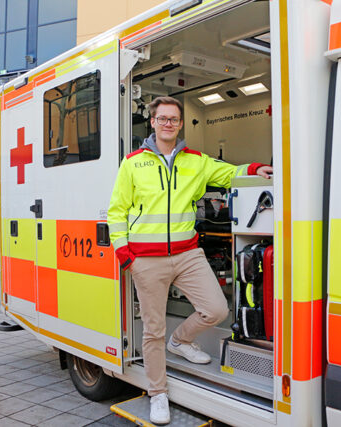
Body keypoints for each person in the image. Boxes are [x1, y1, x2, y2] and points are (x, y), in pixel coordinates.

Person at [107, 96, 272, 425]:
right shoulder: (133, 163)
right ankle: (158, 393)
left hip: (187, 254)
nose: (168, 123)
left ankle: (180, 340)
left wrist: (254, 169)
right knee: (152, 331)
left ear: (181, 124)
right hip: (146, 260)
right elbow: (117, 211)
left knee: (216, 309)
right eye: (162, 118)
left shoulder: (196, 161)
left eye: (174, 119)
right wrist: (126, 255)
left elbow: (227, 173)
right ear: (152, 122)